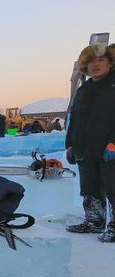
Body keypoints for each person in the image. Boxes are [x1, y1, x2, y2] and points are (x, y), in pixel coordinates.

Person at [65, 43, 115, 243]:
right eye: (91, 61)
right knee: (89, 186)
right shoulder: (83, 90)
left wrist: (113, 143)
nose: (96, 65)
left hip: (108, 147)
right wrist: (69, 145)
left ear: (110, 62)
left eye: (101, 60)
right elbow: (74, 119)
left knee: (112, 186)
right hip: (84, 148)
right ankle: (94, 220)